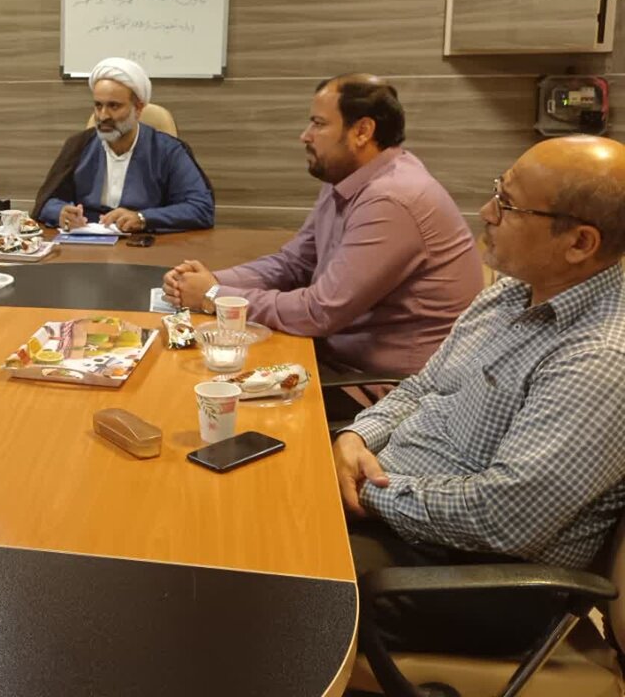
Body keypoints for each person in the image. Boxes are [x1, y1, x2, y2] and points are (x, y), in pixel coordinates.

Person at [335, 134, 625, 658]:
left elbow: (506, 517)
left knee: (269, 572)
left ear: (580, 243)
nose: (487, 212)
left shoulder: (600, 357)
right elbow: (425, 386)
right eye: (498, 191)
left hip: (476, 578)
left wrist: (364, 491)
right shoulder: (512, 291)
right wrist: (357, 437)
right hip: (404, 515)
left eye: (508, 204)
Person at [163, 75, 481, 399]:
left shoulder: (392, 199)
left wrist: (213, 296)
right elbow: (294, 263)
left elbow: (320, 311)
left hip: (387, 391)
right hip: (338, 360)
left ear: (362, 131)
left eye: (318, 124)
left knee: (206, 393)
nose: (305, 135)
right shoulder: (348, 178)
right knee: (197, 372)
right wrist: (212, 281)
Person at [31, 57, 214, 233]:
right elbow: (46, 201)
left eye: (114, 106)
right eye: (98, 105)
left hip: (144, 243)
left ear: (138, 108)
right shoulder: (79, 145)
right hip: (86, 243)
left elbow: (201, 208)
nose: (103, 116)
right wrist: (60, 212)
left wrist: (143, 218)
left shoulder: (167, 150)